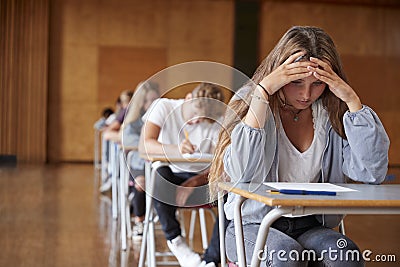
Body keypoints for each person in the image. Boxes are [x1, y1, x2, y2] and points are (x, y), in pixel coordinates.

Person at [208, 26, 390, 267]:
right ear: (278, 74)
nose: (306, 94)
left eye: (317, 84)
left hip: (312, 224)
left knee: (347, 256)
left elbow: (372, 173)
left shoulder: (331, 112)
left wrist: (352, 101)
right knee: (285, 255)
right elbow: (242, 173)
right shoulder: (251, 102)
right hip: (253, 225)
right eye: (296, 82)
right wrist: (262, 93)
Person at [139, 82, 226, 267]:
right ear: (187, 98)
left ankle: (211, 259)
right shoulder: (163, 106)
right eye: (194, 113)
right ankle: (176, 241)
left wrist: (195, 181)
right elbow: (144, 146)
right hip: (168, 180)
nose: (196, 121)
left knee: (230, 196)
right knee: (160, 175)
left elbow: (222, 164)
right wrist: (176, 150)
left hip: (200, 179)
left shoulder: (216, 118)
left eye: (203, 119)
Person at [121, 81, 160, 240]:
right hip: (138, 164)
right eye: (148, 100)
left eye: (154, 99)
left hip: (158, 162)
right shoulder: (133, 122)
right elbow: (130, 142)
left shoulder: (161, 118)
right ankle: (140, 220)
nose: (152, 104)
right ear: (142, 102)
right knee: (141, 183)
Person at [100, 89, 134, 193]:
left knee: (108, 136)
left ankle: (111, 174)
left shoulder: (126, 110)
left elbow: (114, 126)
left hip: (128, 141)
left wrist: (109, 130)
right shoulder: (129, 111)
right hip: (128, 141)